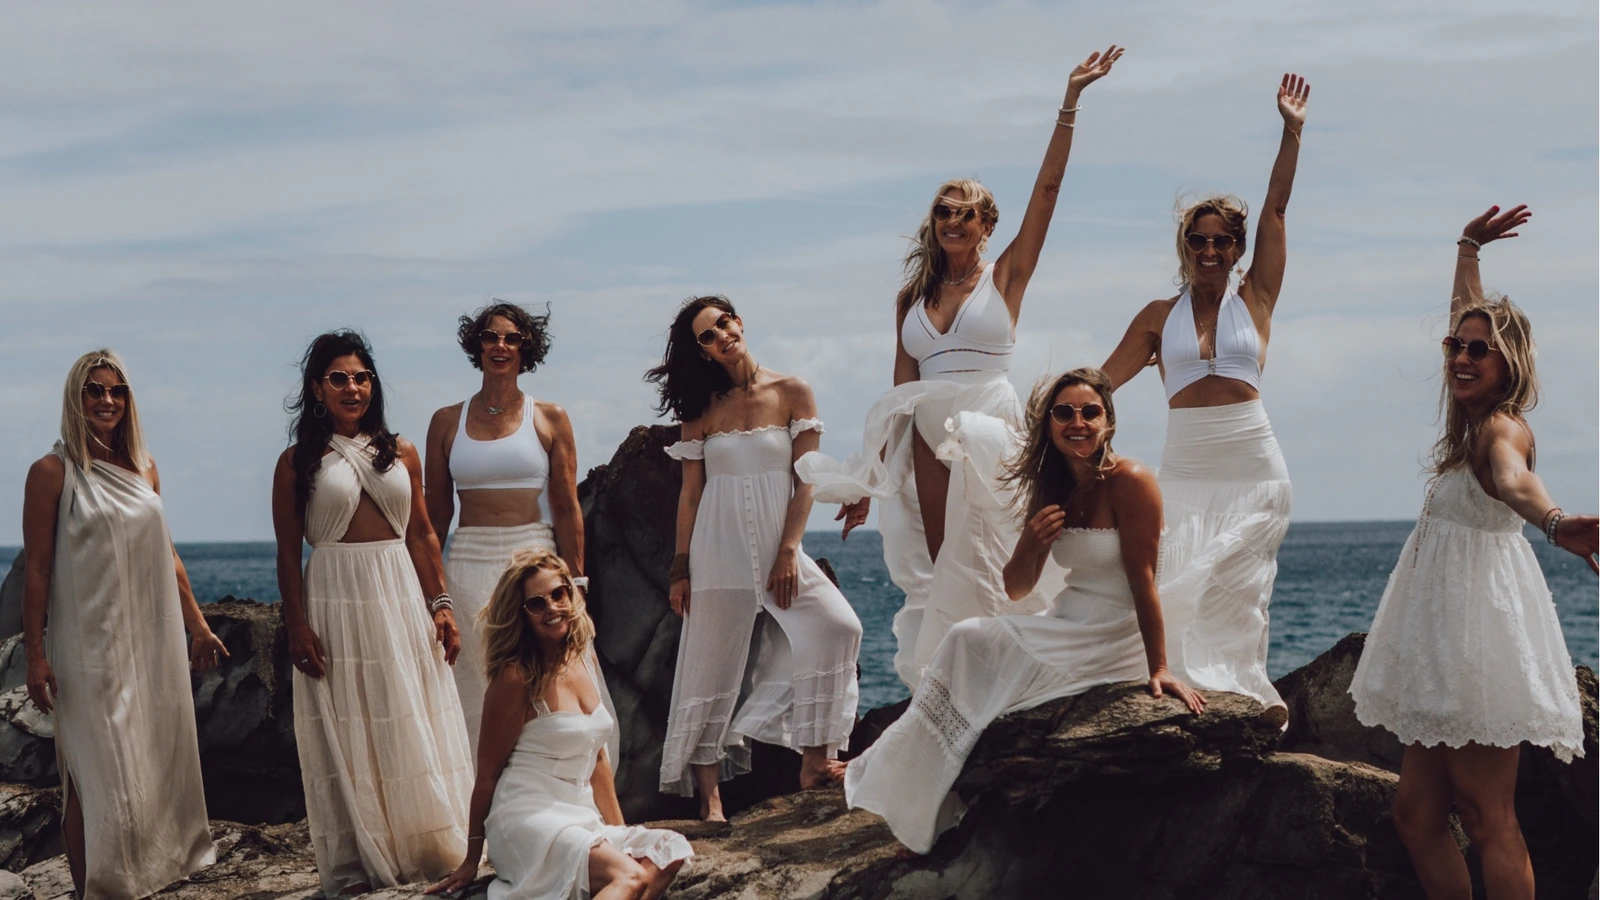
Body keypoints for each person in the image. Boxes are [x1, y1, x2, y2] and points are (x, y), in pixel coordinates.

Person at [797, 46, 1124, 689]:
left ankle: (1022, 673)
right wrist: (872, 481)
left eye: (963, 212)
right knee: (945, 560)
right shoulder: (909, 300)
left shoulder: (1005, 278)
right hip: (925, 428)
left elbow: (1049, 193)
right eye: (942, 211)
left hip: (991, 423)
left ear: (986, 224)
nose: (951, 220)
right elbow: (900, 389)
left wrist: (1070, 104)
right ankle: (960, 683)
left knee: (998, 551)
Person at [844, 368, 1205, 854]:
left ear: (1108, 422)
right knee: (967, 640)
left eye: (1089, 412)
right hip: (1067, 617)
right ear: (1049, 425)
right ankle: (924, 804)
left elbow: (1144, 580)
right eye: (1064, 413)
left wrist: (1159, 667)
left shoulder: (1130, 480)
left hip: (1111, 630)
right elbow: (1016, 588)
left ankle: (916, 797)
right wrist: (1032, 543)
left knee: (969, 642)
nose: (1077, 422)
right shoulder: (1052, 485)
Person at [1348, 206, 1596, 900]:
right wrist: (1466, 249)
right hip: (1440, 639)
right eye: (1453, 347)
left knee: (1488, 817)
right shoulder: (1467, 422)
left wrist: (1553, 522)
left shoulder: (1501, 431)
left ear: (1507, 363)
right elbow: (1466, 311)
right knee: (1417, 815)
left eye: (1477, 350)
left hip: (1478, 641)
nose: (1460, 356)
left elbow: (1516, 483)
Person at [1098, 73, 1311, 708]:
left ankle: (1237, 699)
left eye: (1222, 240)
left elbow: (1276, 209)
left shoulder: (1258, 297)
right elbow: (1100, 386)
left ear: (1238, 248)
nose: (1211, 249)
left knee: (1239, 590)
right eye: (1199, 240)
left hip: (1253, 464)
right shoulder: (1157, 317)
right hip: (1186, 465)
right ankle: (1180, 687)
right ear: (1185, 247)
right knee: (1177, 581)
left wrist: (1291, 131)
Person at [272, 330, 474, 896]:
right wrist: (296, 625)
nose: (353, 387)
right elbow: (289, 554)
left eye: (361, 377)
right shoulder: (296, 462)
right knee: (354, 720)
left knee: (410, 710)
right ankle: (368, 851)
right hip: (334, 596)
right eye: (339, 378)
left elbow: (423, 533)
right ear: (317, 389)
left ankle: (429, 845)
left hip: (399, 592)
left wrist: (442, 607)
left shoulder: (401, 450)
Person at [647, 296, 864, 821]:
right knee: (710, 669)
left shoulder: (793, 391)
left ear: (739, 322)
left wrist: (789, 550)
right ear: (701, 352)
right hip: (715, 553)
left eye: (724, 322)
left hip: (777, 553)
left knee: (838, 627)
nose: (721, 334)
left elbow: (806, 478)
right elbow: (691, 495)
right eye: (706, 335)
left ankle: (815, 760)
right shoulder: (700, 412)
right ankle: (710, 800)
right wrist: (681, 568)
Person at [19, 349, 226, 898]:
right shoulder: (51, 472)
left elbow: (168, 553)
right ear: (75, 398)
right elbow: (36, 569)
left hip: (148, 641)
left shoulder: (145, 467)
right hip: (85, 647)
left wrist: (198, 626)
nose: (106, 401)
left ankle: (144, 877)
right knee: (92, 777)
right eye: (94, 391)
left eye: (116, 391)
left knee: (147, 766)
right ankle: (94, 890)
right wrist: (35, 655)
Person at [427, 549, 692, 900]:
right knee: (629, 877)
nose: (552, 607)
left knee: (671, 851)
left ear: (570, 592)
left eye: (558, 593)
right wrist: (472, 859)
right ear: (521, 615)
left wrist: (618, 832)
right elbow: (488, 773)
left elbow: (597, 759)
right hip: (526, 816)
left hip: (580, 815)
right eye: (536, 603)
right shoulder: (515, 677)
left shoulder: (583, 657)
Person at [426, 301, 584, 758]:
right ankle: (480, 799)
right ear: (477, 345)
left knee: (548, 674)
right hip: (469, 562)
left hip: (535, 558)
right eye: (491, 337)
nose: (501, 346)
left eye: (512, 339)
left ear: (525, 349)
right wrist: (432, 592)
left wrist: (576, 582)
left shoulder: (550, 417)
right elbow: (434, 518)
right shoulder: (445, 421)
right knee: (475, 680)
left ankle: (554, 788)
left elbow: (567, 507)